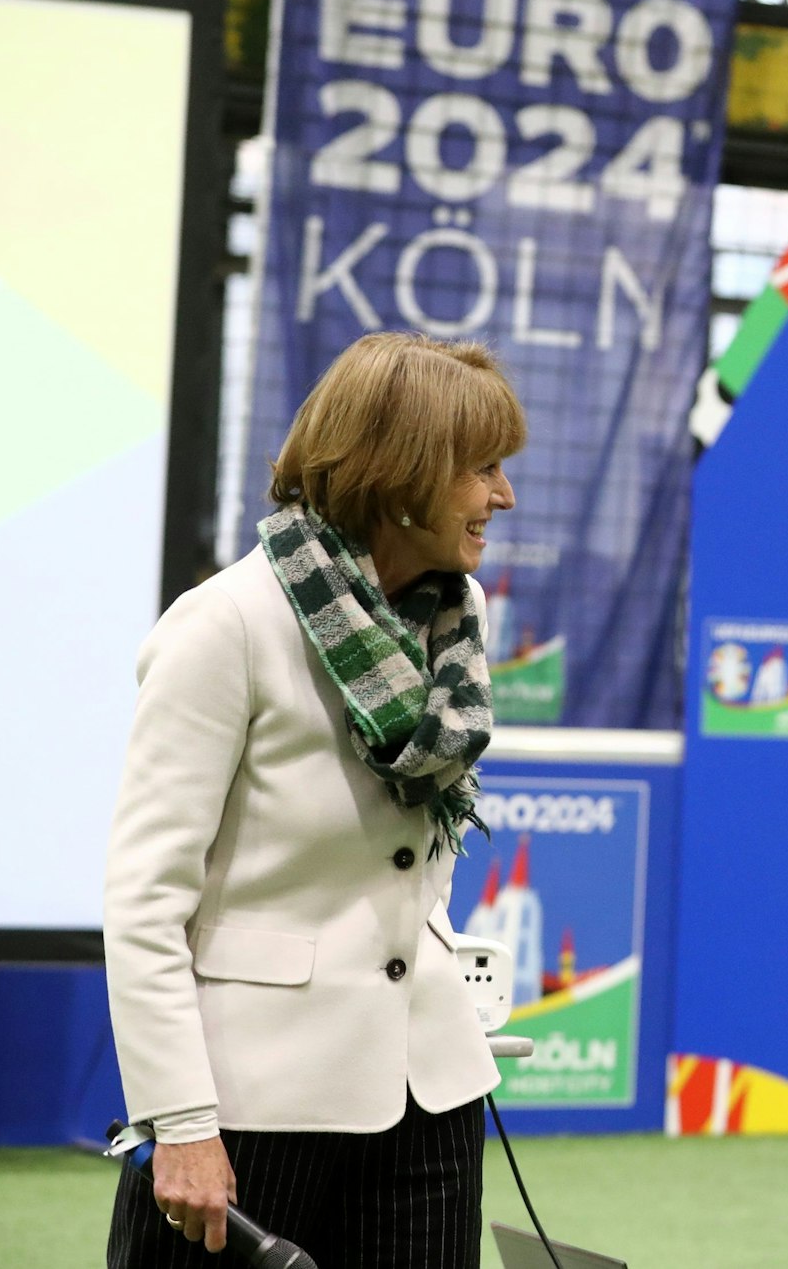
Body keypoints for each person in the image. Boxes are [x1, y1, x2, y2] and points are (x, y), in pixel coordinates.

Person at [102, 332, 526, 1266]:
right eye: (483, 468)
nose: (503, 496)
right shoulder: (225, 624)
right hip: (248, 1105)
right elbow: (144, 899)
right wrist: (178, 1119)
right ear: (403, 470)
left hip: (431, 1096)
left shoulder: (458, 615)